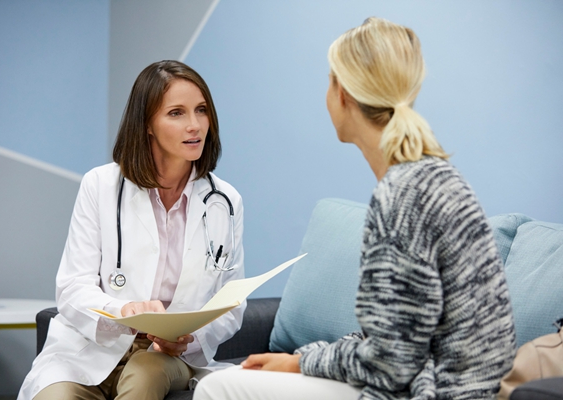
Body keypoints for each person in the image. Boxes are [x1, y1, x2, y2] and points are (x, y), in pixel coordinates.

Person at [194, 17, 516, 400]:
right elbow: (392, 337)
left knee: (216, 387)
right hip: (439, 384)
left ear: (343, 93)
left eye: (329, 81)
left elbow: (391, 363)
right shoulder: (433, 178)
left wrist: (303, 363)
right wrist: (303, 360)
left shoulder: (401, 196)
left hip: (430, 392)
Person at [18, 60, 246, 400]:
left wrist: (189, 338)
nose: (195, 125)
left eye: (201, 110)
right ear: (147, 124)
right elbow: (72, 287)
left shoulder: (224, 201)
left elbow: (231, 304)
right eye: (177, 113)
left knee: (144, 376)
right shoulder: (100, 186)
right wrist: (122, 313)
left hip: (168, 356)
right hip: (90, 349)